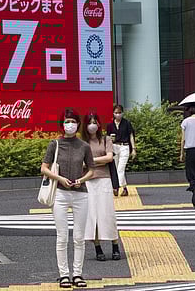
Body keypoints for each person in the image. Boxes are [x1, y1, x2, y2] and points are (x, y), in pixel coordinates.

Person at [41, 109, 94, 288]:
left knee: (79, 237)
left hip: (81, 194)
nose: (69, 124)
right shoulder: (54, 144)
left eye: (72, 121)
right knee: (62, 236)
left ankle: (77, 274)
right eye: (66, 121)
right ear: (62, 124)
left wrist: (81, 179)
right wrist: (60, 179)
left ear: (78, 124)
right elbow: (44, 168)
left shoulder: (84, 146)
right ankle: (64, 275)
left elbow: (92, 169)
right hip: (60, 194)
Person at [81, 113, 121, 262]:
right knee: (92, 216)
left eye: (95, 122)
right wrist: (98, 161)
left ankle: (115, 245)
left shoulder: (106, 139)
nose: (92, 125)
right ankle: (98, 248)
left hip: (104, 179)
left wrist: (90, 161)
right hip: (88, 181)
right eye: (89, 122)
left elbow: (109, 158)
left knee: (108, 214)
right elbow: (80, 162)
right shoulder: (82, 143)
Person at [106, 105, 136, 197]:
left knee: (120, 169)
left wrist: (134, 149)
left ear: (122, 113)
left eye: (119, 112)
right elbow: (107, 138)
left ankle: (116, 188)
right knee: (115, 169)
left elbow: (131, 136)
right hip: (114, 147)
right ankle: (124, 188)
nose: (118, 114)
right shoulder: (110, 125)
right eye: (116, 112)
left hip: (124, 147)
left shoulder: (127, 123)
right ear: (113, 113)